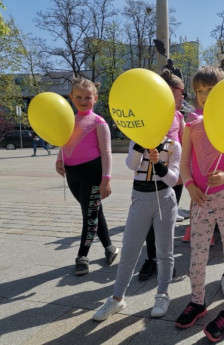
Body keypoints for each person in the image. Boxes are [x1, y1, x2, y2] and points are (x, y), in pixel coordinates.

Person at [175, 57, 224, 342]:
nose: (203, 96)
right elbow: (184, 165)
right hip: (200, 202)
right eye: (199, 91)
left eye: (209, 90)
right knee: (197, 256)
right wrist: (191, 186)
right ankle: (197, 301)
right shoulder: (191, 125)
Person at [93, 134, 181, 321]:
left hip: (165, 201)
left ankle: (162, 294)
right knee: (129, 250)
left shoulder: (174, 146)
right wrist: (140, 147)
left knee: (165, 250)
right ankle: (117, 298)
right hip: (140, 199)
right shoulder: (136, 140)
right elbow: (132, 165)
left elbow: (173, 180)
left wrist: (158, 164)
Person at [55, 77, 118, 275]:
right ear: (71, 97)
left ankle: (82, 255)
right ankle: (110, 248)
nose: (83, 100)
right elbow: (62, 142)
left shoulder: (99, 122)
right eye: (79, 97)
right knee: (93, 211)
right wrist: (59, 160)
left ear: (95, 98)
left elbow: (106, 152)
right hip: (72, 174)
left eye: (88, 97)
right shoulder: (66, 121)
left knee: (89, 215)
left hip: (92, 172)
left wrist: (106, 179)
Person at [138, 68, 186, 281]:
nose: (182, 96)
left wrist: (184, 171)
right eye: (179, 92)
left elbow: (184, 145)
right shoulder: (151, 114)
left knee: (167, 220)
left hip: (173, 176)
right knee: (151, 220)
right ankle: (150, 259)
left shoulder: (179, 116)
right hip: (152, 174)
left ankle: (166, 262)